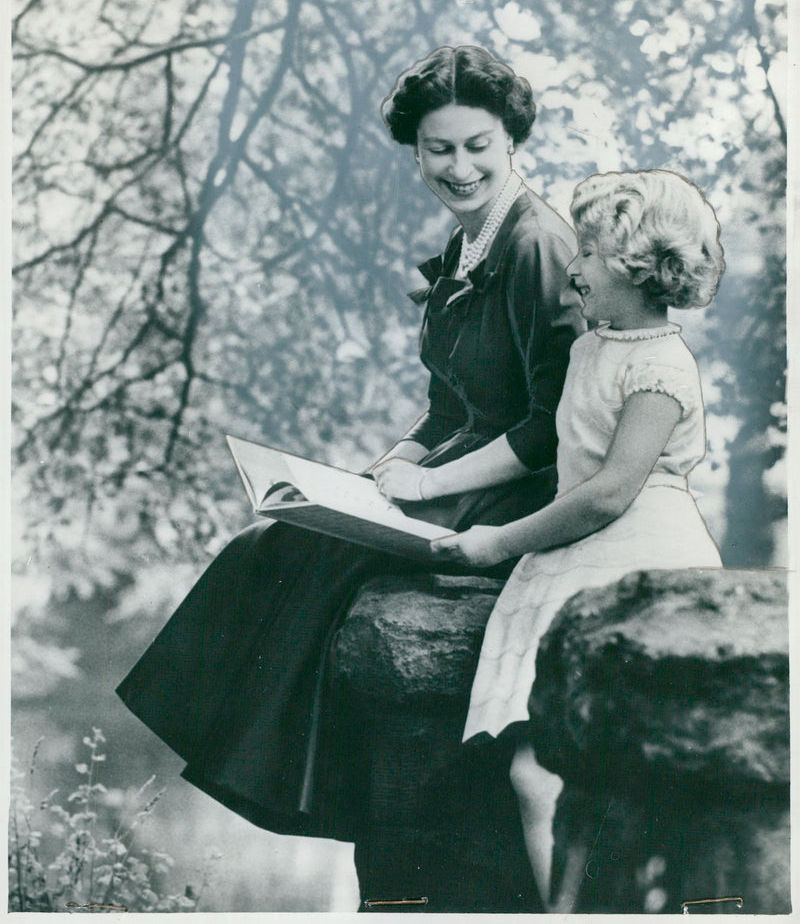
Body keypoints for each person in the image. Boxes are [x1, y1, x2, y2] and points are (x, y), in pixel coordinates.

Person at [116, 45, 585, 844]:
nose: (460, 166)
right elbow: (445, 404)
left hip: (520, 487)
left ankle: (303, 790)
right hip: (458, 466)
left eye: (478, 145)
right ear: (417, 152)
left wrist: (429, 488)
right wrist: (392, 462)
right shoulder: (467, 244)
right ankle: (232, 757)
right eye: (440, 149)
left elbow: (549, 426)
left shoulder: (536, 243)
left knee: (325, 558)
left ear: (511, 142)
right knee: (269, 541)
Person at [425, 168, 726, 910]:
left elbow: (610, 491)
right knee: (538, 769)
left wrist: (498, 543)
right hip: (574, 553)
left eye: (587, 252)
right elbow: (548, 451)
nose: (572, 265)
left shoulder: (660, 365)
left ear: (632, 265)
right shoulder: (594, 348)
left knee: (627, 769)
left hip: (639, 557)